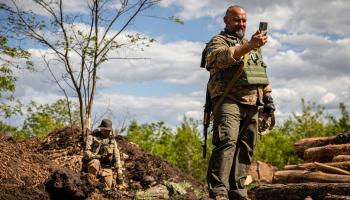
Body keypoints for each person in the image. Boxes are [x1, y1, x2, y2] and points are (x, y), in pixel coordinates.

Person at [203, 5, 275, 200]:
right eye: (236, 20)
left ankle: (238, 191)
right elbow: (218, 59)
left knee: (246, 147)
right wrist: (250, 45)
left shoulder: (251, 43)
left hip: (253, 102)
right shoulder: (218, 41)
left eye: (243, 20)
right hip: (229, 100)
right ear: (226, 20)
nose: (241, 23)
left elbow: (260, 71)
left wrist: (268, 97)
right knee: (227, 142)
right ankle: (219, 192)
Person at [83, 119, 124, 190]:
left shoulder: (112, 140)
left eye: (108, 131)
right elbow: (86, 153)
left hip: (107, 167)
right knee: (94, 162)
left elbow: (117, 156)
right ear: (101, 129)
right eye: (105, 130)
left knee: (106, 188)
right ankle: (91, 183)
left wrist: (119, 172)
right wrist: (99, 157)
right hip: (94, 164)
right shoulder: (92, 137)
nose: (107, 132)